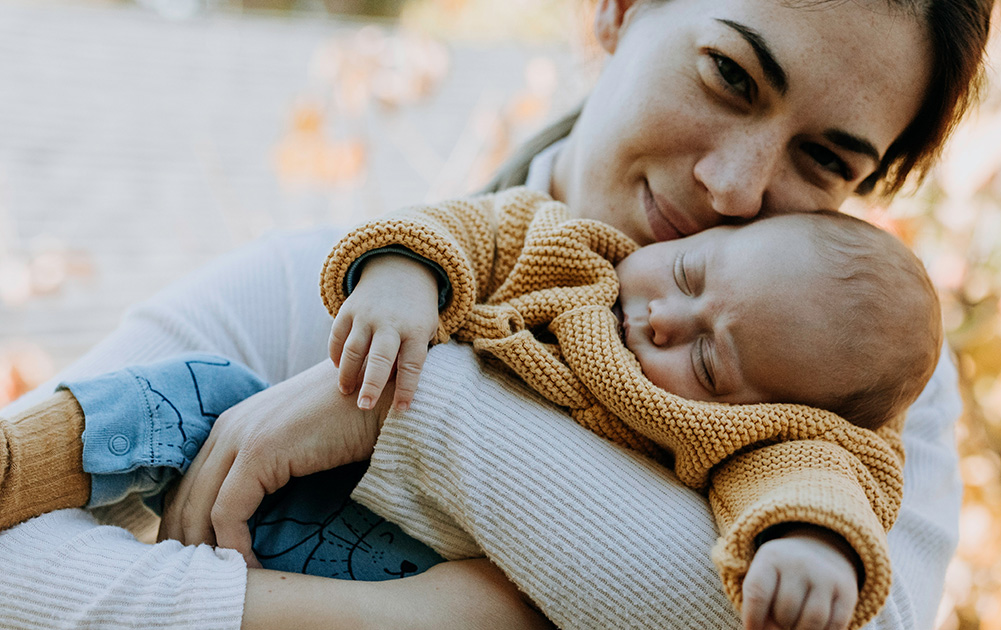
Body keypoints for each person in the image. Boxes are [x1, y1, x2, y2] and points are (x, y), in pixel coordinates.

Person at [0, 0, 992, 628]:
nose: (735, 186)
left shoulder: (858, 389)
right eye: (728, 74)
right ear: (617, 9)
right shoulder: (353, 284)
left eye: (825, 160)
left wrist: (416, 411)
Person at [1, 188, 940, 629]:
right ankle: (21, 461)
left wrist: (809, 546)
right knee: (198, 394)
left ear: (766, 406)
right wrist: (406, 283)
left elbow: (808, 478)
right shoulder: (572, 250)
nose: (662, 316)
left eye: (710, 355)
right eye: (693, 275)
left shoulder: (748, 438)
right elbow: (468, 231)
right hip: (309, 489)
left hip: (390, 563)